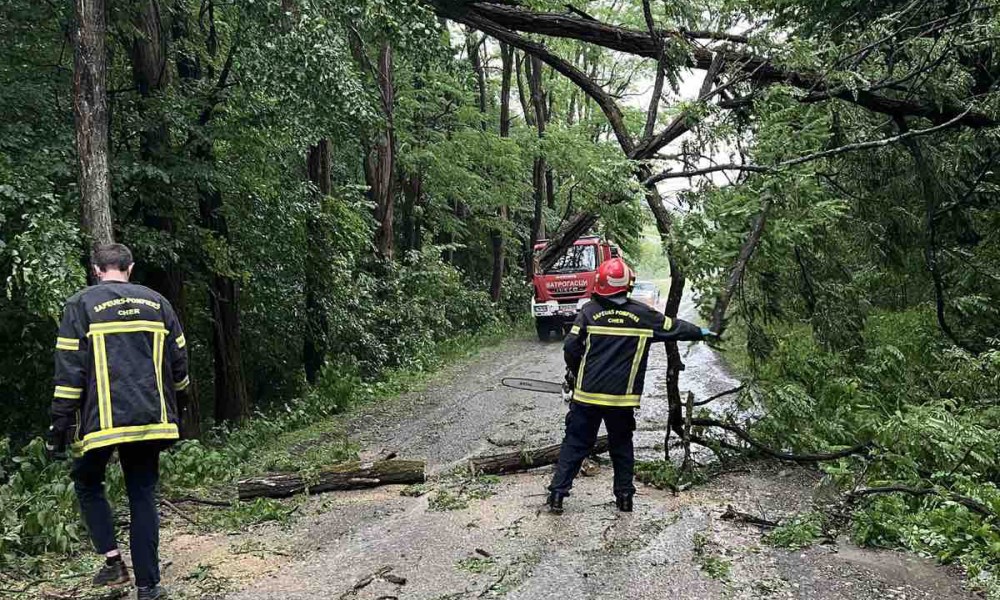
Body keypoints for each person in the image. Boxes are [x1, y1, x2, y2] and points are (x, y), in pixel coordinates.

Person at [47, 243, 189, 600]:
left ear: (96, 269)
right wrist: (178, 408)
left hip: (101, 421)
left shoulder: (81, 305)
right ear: (131, 268)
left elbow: (68, 373)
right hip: (149, 419)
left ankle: (113, 562)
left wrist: (58, 427)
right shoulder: (158, 304)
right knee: (142, 494)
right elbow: (180, 367)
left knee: (87, 481)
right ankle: (149, 587)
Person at [547, 257, 716, 514]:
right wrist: (701, 332)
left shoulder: (589, 312)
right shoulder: (642, 315)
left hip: (587, 395)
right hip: (621, 399)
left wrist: (576, 370)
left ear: (600, 284)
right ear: (627, 285)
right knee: (621, 446)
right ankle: (624, 498)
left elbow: (570, 347)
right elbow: (675, 327)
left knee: (576, 443)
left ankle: (557, 496)